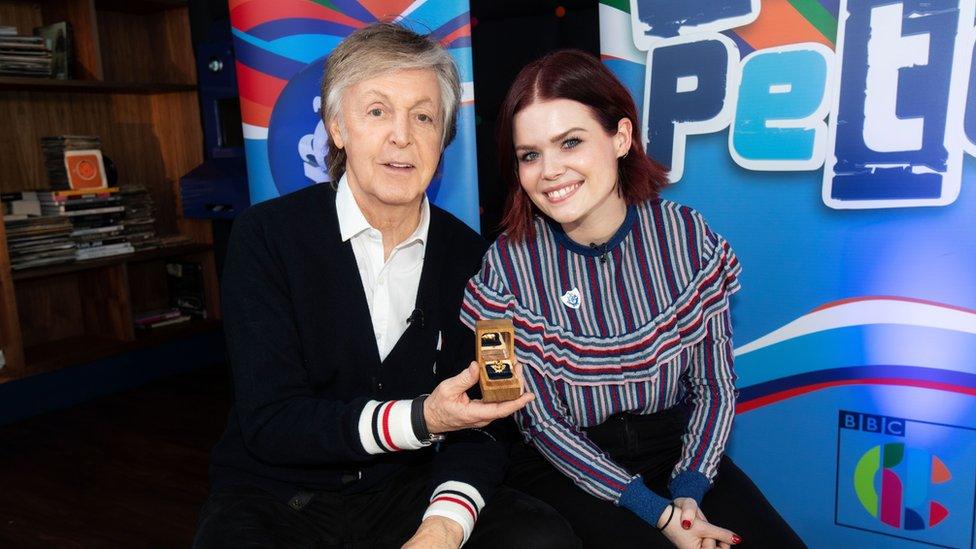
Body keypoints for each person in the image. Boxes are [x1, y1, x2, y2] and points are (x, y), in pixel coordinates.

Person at [194, 24, 578, 549]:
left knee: (541, 539)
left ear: (442, 139)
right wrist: (423, 418)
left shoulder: (479, 261)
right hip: (277, 495)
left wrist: (442, 528)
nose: (402, 135)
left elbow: (491, 419)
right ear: (336, 127)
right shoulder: (266, 237)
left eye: (423, 116)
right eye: (377, 111)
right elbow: (272, 421)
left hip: (405, 488)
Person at [461, 50, 805, 548]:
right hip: (563, 463)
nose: (550, 171)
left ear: (620, 137)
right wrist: (660, 517)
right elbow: (538, 422)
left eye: (570, 143)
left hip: (676, 451)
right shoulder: (501, 271)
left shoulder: (688, 237)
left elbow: (715, 387)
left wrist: (688, 493)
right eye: (530, 154)